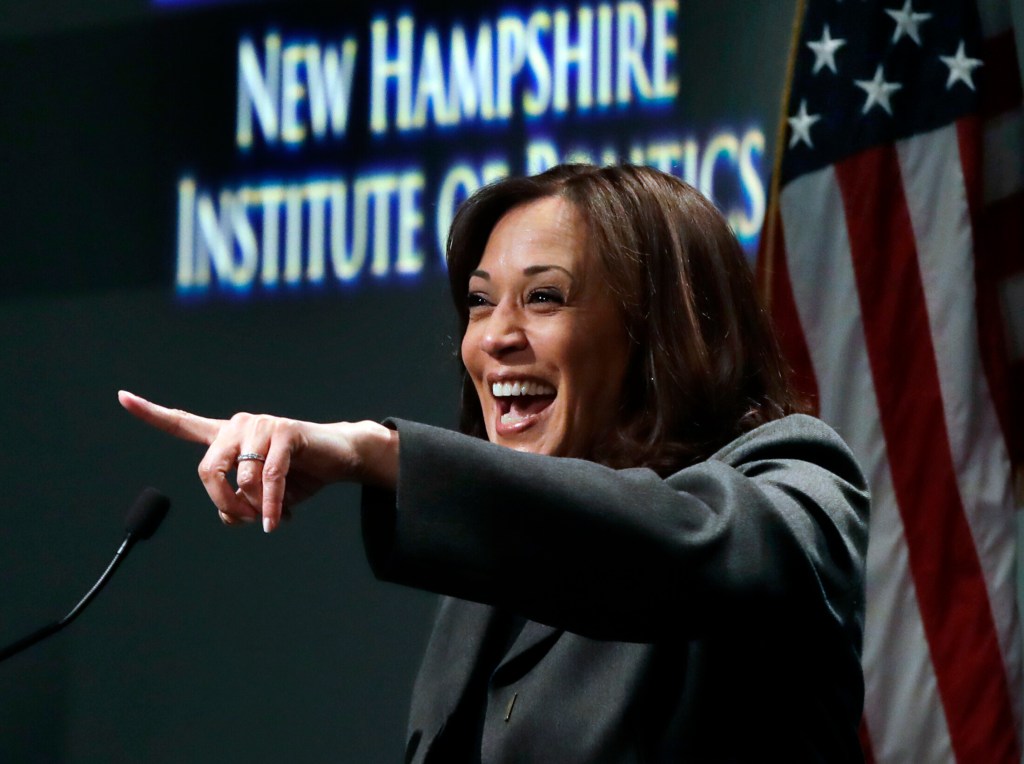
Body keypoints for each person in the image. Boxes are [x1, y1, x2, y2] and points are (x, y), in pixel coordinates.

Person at [120, 164, 869, 762]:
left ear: (659, 329)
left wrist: (381, 453)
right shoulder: (489, 583)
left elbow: (687, 549)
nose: (494, 339)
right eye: (481, 303)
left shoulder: (794, 480)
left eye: (544, 298)